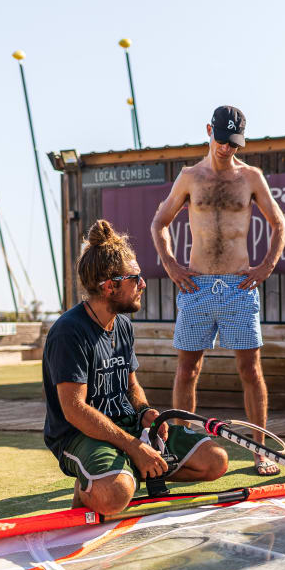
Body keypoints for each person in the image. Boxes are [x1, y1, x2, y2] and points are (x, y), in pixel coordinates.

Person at [43, 219, 228, 516]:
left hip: (127, 427)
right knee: (115, 495)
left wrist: (145, 412)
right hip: (79, 435)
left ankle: (123, 471)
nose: (143, 284)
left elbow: (131, 385)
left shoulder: (123, 325)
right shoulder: (69, 331)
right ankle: (104, 481)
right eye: (135, 278)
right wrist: (134, 447)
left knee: (215, 460)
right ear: (110, 286)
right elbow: (74, 410)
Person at [151, 106, 285, 475]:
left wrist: (266, 266)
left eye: (235, 143)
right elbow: (160, 222)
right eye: (223, 140)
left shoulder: (251, 177)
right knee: (187, 369)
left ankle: (260, 451)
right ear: (210, 131)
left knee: (250, 369)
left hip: (237, 287)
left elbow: (279, 224)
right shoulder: (189, 177)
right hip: (195, 285)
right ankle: (180, 446)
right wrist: (171, 264)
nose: (227, 148)